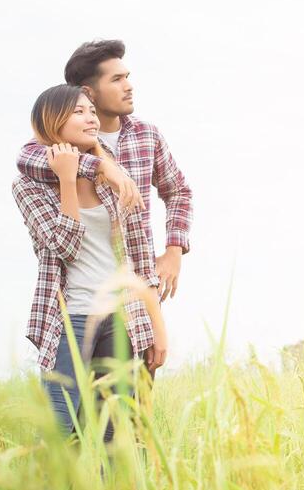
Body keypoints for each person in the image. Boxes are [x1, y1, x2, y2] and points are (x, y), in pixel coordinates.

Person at [13, 84, 168, 441]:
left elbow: (140, 258)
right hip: (71, 319)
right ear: (52, 121)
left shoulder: (112, 176)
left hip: (120, 317)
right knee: (59, 434)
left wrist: (157, 326)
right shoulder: (28, 184)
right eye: (79, 112)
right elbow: (63, 246)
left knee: (115, 438)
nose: (91, 118)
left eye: (92, 111)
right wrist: (68, 180)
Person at [17, 40, 194, 301]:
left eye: (127, 77)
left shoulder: (147, 135)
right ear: (88, 92)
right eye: (117, 79)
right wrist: (102, 167)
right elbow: (27, 158)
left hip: (139, 287)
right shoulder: (62, 142)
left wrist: (174, 251)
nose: (129, 86)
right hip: (80, 294)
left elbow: (178, 191)